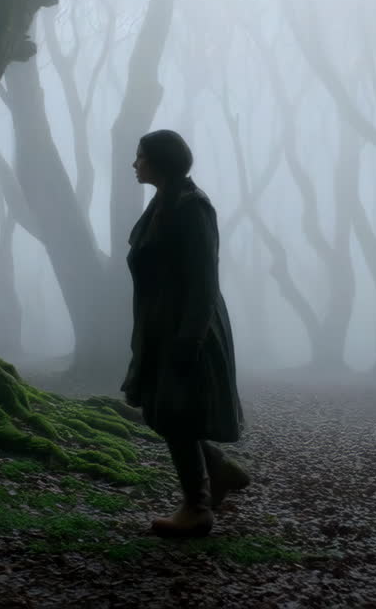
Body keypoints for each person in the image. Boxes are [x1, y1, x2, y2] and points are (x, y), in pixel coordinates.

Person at [121, 129, 250, 538]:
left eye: (140, 156)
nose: (135, 163)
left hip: (188, 326)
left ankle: (196, 508)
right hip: (161, 325)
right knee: (160, 409)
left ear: (159, 161)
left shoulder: (192, 207)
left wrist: (189, 339)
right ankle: (217, 468)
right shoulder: (164, 203)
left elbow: (203, 280)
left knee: (174, 411)